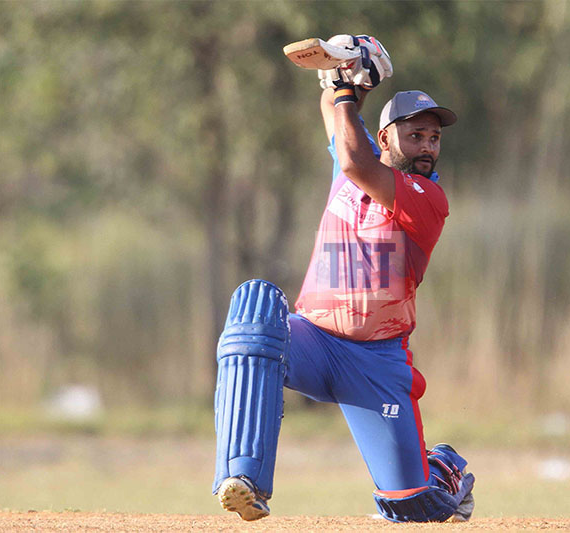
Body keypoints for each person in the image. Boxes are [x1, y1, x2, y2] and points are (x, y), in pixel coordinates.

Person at [211, 34, 474, 523]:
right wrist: (343, 74)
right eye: (414, 135)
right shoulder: (353, 162)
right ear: (385, 138)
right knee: (254, 307)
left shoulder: (426, 196)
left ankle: (444, 471)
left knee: (411, 508)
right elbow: (334, 116)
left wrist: (350, 92)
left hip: (376, 361)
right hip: (313, 339)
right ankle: (244, 479)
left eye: (434, 138)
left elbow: (354, 158)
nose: (427, 147)